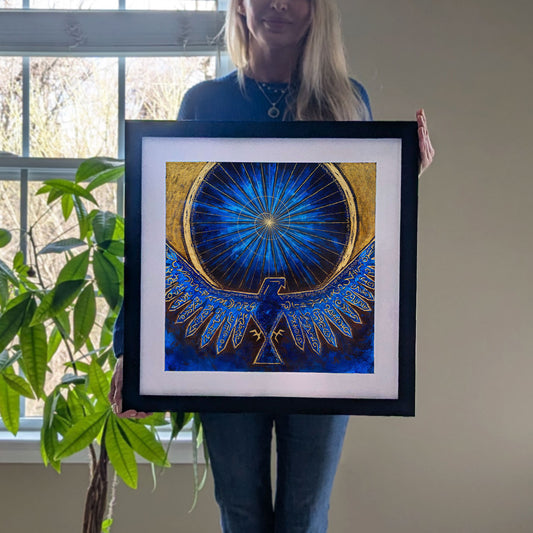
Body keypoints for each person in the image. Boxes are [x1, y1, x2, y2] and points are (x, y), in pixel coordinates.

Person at [110, 1, 434, 531]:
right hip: (223, 349)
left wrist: (402, 177)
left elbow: (364, 230)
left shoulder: (348, 101)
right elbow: (157, 232)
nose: (280, 3)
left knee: (305, 514)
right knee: (239, 508)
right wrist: (131, 348)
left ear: (317, 10)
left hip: (324, 353)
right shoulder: (204, 102)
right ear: (239, 5)